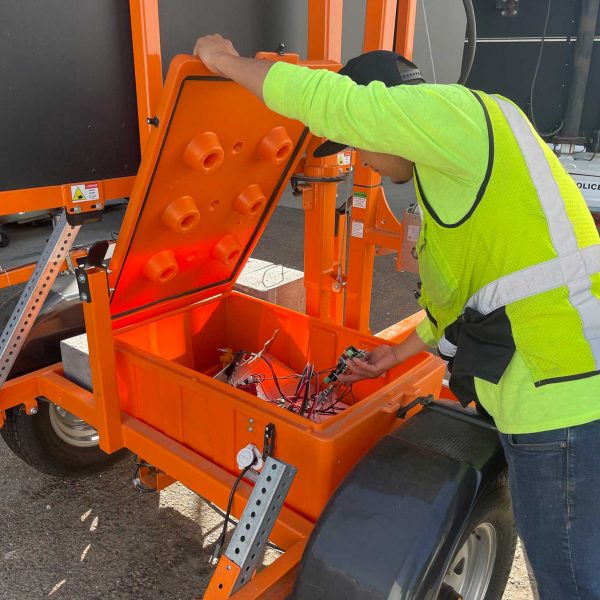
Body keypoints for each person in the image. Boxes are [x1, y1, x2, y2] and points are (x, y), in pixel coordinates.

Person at [193, 34, 600, 599]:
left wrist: (219, 62)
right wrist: (396, 353)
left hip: (562, 394)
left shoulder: (460, 115)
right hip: (545, 388)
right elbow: (460, 304)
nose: (362, 159)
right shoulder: (448, 174)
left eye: (360, 143)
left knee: (573, 583)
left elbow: (336, 101)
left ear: (387, 113)